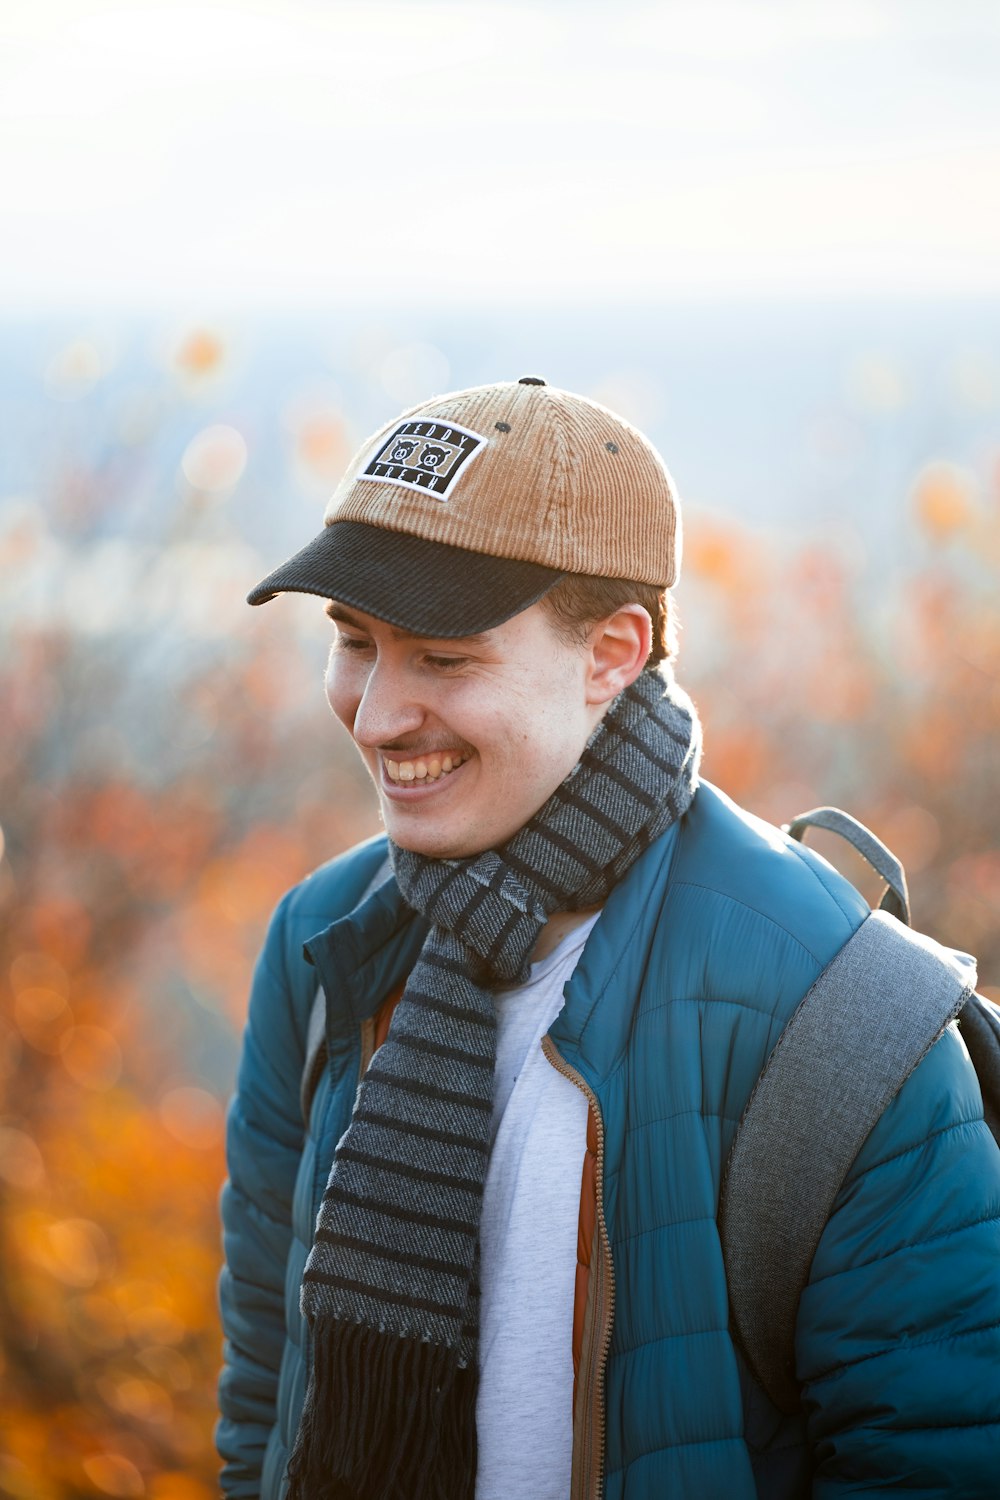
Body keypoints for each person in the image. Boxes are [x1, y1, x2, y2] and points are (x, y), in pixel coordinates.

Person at [217, 377, 1000, 1500]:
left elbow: (937, 1458)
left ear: (612, 654)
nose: (379, 713)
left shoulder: (840, 1009)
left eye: (442, 658)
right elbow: (268, 1397)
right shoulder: (324, 946)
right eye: (353, 641)